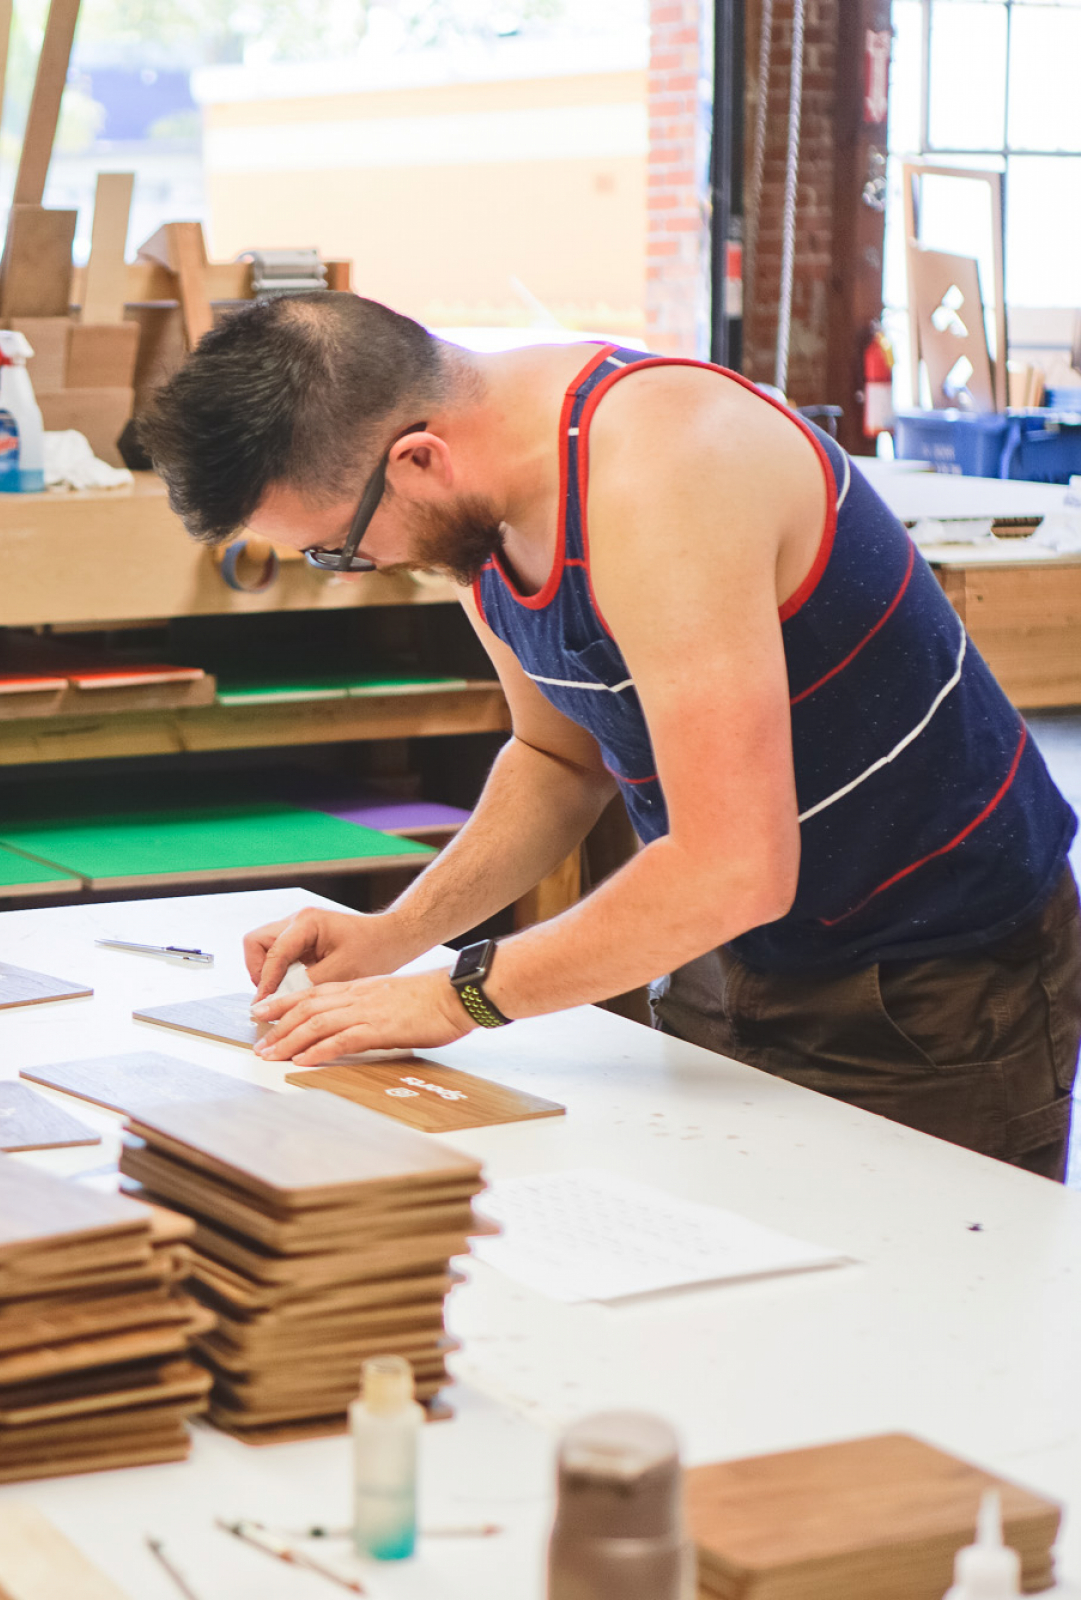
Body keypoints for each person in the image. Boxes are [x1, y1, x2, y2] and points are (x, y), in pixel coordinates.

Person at [136, 291, 1079, 1178]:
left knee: (923, 1320)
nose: (352, 570)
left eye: (336, 546)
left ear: (418, 459)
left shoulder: (665, 472)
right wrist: (395, 936)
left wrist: (454, 994)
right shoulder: (479, 521)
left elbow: (734, 868)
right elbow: (556, 760)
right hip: (725, 953)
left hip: (933, 983)